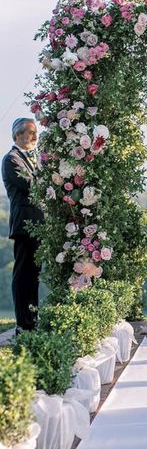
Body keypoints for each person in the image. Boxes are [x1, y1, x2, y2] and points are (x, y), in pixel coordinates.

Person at [1, 118, 44, 334]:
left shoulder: (33, 158)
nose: (35, 136)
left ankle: (32, 319)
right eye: (30, 131)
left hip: (38, 224)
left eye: (36, 131)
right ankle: (23, 323)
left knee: (34, 276)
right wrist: (49, 177)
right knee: (23, 274)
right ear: (17, 135)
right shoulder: (11, 159)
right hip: (25, 225)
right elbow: (30, 185)